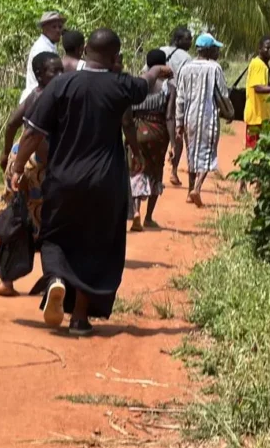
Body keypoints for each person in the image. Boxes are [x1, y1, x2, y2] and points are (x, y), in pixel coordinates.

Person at [12, 28, 172, 335]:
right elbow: (146, 82)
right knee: (96, 246)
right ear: (115, 58)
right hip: (105, 182)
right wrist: (157, 69)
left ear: (85, 52)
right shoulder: (121, 85)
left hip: (63, 178)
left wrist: (17, 168)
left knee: (55, 235)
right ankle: (79, 318)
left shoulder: (61, 84)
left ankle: (56, 278)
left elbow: (32, 132)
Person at [0, 52, 64, 297]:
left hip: (20, 159)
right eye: (54, 71)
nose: (60, 75)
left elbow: (12, 124)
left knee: (19, 219)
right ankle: (52, 279)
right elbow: (35, 137)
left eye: (61, 70)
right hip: (36, 166)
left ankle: (8, 280)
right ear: (39, 75)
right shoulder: (49, 98)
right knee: (45, 222)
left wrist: (7, 153)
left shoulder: (32, 96)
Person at [175, 33, 234, 208]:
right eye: (215, 49)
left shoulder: (186, 68)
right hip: (209, 118)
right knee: (208, 152)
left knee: (191, 152)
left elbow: (180, 97)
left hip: (189, 117)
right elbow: (222, 94)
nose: (218, 52)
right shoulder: (214, 68)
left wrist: (179, 122)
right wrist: (229, 112)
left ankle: (189, 191)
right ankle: (197, 188)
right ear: (208, 50)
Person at [124, 49, 176, 231]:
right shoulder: (169, 88)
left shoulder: (137, 84)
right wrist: (173, 143)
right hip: (158, 133)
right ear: (164, 65)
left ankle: (136, 211)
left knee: (136, 169)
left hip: (137, 131)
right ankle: (148, 217)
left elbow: (128, 113)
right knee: (155, 171)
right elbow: (169, 117)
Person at [240, 36, 270, 193]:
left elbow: (266, 89)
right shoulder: (258, 64)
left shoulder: (265, 66)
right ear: (259, 49)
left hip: (263, 116)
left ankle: (258, 183)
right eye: (267, 47)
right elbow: (258, 88)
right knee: (252, 151)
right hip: (256, 116)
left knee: (263, 151)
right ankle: (243, 183)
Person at [157, 27, 194, 187]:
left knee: (159, 131)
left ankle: (157, 172)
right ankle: (173, 171)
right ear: (178, 40)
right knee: (177, 133)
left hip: (157, 96)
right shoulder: (187, 58)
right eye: (188, 39)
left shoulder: (160, 50)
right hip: (177, 98)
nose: (190, 42)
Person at [20, 12, 65, 104]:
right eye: (54, 27)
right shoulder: (41, 48)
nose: (58, 30)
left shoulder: (50, 45)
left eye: (60, 27)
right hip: (36, 99)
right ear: (44, 28)